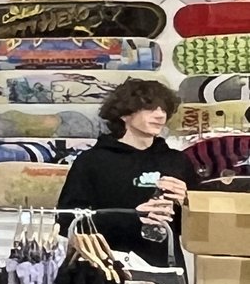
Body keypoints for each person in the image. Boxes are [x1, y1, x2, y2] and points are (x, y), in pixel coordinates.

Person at [59, 77, 198, 264]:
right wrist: (132, 218)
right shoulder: (92, 161)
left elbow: (198, 230)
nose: (160, 115)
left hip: (166, 266)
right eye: (150, 108)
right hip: (106, 267)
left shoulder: (177, 161)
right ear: (124, 114)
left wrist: (188, 204)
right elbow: (68, 222)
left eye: (164, 109)